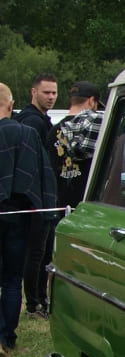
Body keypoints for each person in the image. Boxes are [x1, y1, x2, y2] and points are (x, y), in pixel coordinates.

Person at [1, 83, 57, 357]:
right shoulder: (26, 134)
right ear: (11, 105)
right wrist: (46, 213)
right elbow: (41, 177)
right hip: (18, 216)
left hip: (12, 214)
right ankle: (6, 341)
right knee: (12, 280)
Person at [13, 73, 58, 318]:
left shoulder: (42, 120)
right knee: (36, 252)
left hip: (43, 196)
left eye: (54, 93)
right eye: (46, 93)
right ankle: (34, 304)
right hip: (36, 198)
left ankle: (40, 298)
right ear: (33, 92)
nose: (51, 97)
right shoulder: (31, 122)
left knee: (43, 252)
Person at [52, 81, 106, 210]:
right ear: (91, 101)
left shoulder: (52, 131)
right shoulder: (98, 127)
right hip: (89, 202)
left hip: (60, 203)